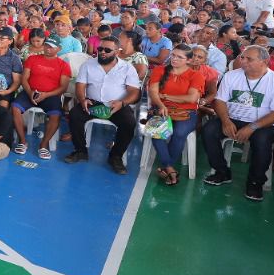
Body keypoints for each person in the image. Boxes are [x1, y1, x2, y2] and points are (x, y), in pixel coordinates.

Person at [200, 45, 274, 200]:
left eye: (249, 59)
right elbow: (220, 101)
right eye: (242, 57)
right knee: (209, 130)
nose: (243, 61)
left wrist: (252, 127)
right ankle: (222, 171)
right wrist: (226, 121)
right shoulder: (231, 76)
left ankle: (255, 182)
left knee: (261, 140)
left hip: (265, 124)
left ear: (264, 61)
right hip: (233, 118)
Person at [65, 38, 142, 174]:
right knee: (74, 115)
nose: (102, 52)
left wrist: (122, 103)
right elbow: (80, 85)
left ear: (117, 52)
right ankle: (80, 151)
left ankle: (115, 156)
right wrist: (82, 99)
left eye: (107, 50)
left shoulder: (127, 68)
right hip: (93, 103)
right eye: (100, 49)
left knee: (129, 123)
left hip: (117, 104)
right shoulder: (88, 65)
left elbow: (134, 91)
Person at [146, 44, 206, 185]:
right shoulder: (159, 70)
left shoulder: (196, 75)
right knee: (157, 130)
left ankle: (167, 167)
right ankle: (170, 168)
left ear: (189, 60)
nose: (174, 59)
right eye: (173, 55)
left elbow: (191, 98)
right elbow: (153, 93)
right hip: (160, 108)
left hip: (186, 112)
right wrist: (161, 105)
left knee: (179, 133)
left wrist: (165, 96)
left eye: (180, 57)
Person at [11, 37, 72, 159]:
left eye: (52, 47)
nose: (48, 49)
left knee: (56, 114)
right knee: (14, 107)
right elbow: (24, 78)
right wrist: (30, 93)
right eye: (47, 45)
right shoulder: (32, 59)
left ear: (59, 49)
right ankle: (22, 141)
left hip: (50, 95)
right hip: (30, 92)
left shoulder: (63, 65)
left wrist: (46, 95)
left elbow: (63, 87)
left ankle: (43, 145)